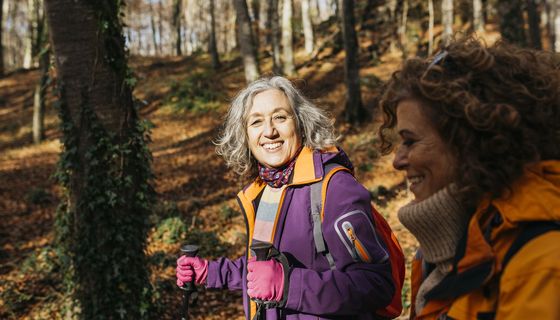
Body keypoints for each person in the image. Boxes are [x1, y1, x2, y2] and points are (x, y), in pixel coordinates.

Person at [176, 76, 396, 319]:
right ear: (245, 135)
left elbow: (375, 283)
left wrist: (288, 286)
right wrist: (210, 273)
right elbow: (264, 270)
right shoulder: (265, 190)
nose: (269, 131)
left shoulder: (334, 187)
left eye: (280, 117)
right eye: (256, 122)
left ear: (300, 123)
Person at [378, 36, 560, 319]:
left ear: (467, 141)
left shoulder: (539, 260)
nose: (398, 160)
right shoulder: (443, 252)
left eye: (410, 141)